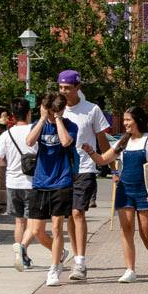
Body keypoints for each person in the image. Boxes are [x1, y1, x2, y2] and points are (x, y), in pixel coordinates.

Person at [101, 105, 148, 282]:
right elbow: (104, 159)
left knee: (146, 233)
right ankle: (130, 270)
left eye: (128, 120)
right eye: (124, 120)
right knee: (126, 229)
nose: (125, 123)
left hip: (145, 191)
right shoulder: (123, 141)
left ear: (138, 120)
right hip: (124, 190)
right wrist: (90, 151)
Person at [59, 71, 111, 276]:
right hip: (63, 169)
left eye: (67, 88)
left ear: (77, 87)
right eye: (61, 87)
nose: (63, 92)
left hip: (85, 167)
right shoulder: (57, 110)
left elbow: (102, 140)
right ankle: (74, 253)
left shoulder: (92, 110)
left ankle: (80, 261)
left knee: (78, 212)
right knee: (69, 216)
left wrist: (112, 166)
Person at [27, 92, 79, 285]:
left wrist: (58, 118)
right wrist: (42, 119)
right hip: (41, 181)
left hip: (61, 181)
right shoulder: (40, 123)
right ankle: (61, 254)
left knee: (57, 227)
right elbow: (29, 142)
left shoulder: (70, 126)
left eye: (53, 113)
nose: (50, 116)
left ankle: (54, 268)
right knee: (37, 230)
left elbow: (66, 142)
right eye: (48, 112)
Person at [0, 99, 50, 269]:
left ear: (12, 115)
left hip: (13, 182)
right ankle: (22, 249)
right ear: (29, 112)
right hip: (33, 183)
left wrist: (10, 164)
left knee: (19, 222)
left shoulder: (6, 135)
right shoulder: (36, 131)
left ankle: (21, 255)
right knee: (33, 223)